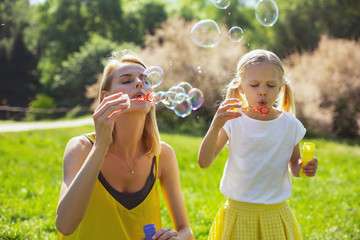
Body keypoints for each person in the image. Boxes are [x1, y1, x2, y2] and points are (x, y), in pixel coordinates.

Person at [56, 50, 194, 240]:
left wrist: (177, 239)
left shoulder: (163, 155)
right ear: (106, 97)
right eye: (127, 80)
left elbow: (186, 230)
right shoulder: (81, 148)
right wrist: (100, 147)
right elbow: (65, 225)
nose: (139, 83)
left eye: (145, 81)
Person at [197, 49, 318, 240]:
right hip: (238, 213)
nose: (263, 91)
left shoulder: (290, 125)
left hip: (275, 214)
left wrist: (304, 167)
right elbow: (204, 162)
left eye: (270, 85)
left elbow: (294, 166)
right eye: (254, 85)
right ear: (241, 87)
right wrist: (215, 125)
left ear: (280, 89)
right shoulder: (233, 120)